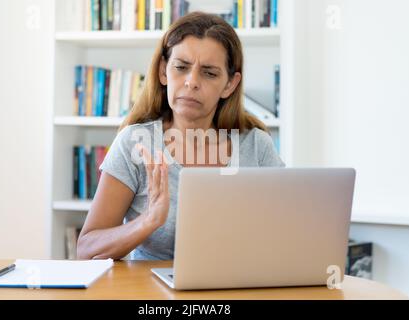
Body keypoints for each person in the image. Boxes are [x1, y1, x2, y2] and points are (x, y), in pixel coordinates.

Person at [76, 12, 285, 260]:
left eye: (209, 73)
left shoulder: (256, 146)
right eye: (181, 67)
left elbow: (288, 232)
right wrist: (149, 220)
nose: (191, 82)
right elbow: (86, 250)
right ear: (164, 71)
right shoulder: (134, 142)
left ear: (230, 84)